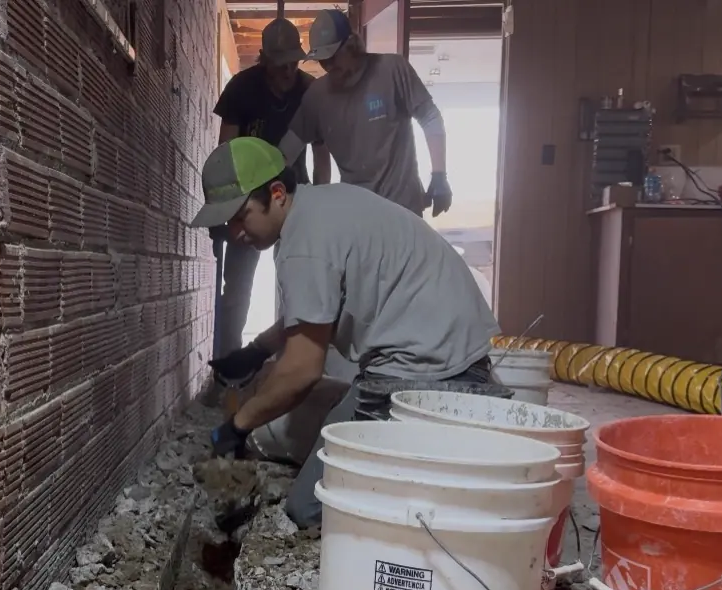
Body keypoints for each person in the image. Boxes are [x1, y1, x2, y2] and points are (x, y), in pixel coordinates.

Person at [191, 137, 499, 528]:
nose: (235, 231)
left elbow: (303, 371)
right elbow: (313, 315)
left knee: (309, 508)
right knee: (298, 406)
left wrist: (238, 426)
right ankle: (390, 468)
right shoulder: (321, 207)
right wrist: (256, 350)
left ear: (277, 193)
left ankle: (420, 500)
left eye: (241, 215)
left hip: (426, 375)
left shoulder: (303, 244)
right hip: (448, 352)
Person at [211, 17, 331, 357]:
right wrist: (224, 208)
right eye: (281, 65)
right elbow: (226, 150)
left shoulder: (310, 92)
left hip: (294, 201)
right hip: (249, 203)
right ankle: (229, 366)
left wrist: (322, 205)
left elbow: (322, 155)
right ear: (264, 60)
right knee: (236, 288)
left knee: (296, 284)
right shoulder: (242, 88)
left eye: (295, 63)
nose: (289, 71)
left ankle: (289, 363)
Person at [278, 8, 452, 218]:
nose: (329, 67)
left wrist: (440, 176)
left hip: (404, 210)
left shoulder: (392, 70)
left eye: (333, 58)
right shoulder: (317, 96)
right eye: (323, 61)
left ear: (352, 45)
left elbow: (430, 118)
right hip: (358, 215)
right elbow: (287, 149)